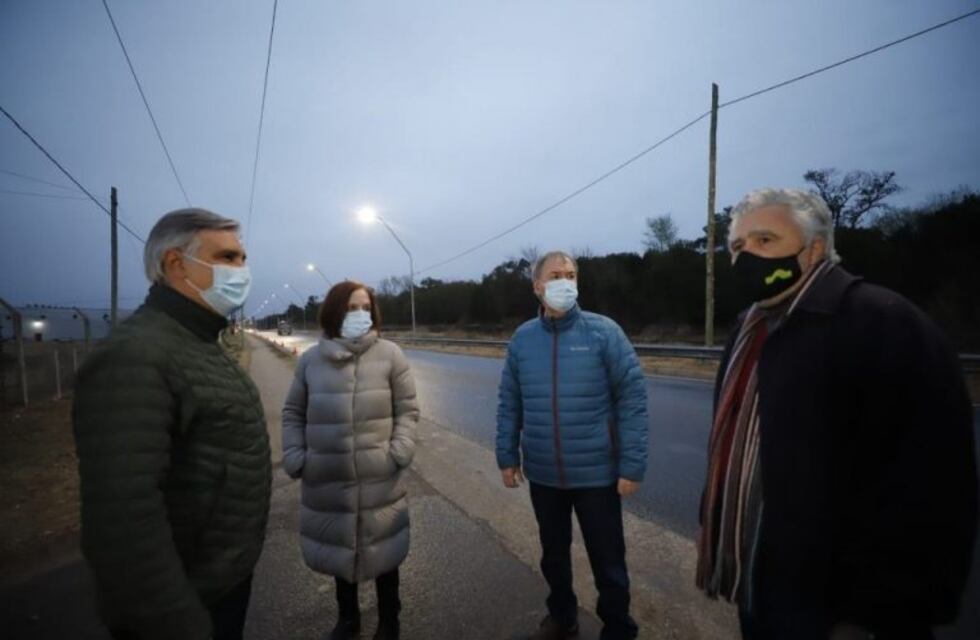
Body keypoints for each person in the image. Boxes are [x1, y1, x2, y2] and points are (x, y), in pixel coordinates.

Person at [696, 188, 978, 640]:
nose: (746, 256)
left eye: (765, 240)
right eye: (738, 246)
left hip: (843, 611)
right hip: (763, 586)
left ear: (814, 249)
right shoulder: (749, 329)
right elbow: (733, 448)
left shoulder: (882, 323)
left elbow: (932, 489)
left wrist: (872, 614)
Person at [72, 208, 272, 640]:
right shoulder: (136, 355)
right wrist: (177, 623)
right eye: (227, 258)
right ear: (176, 264)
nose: (242, 270)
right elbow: (123, 521)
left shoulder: (197, 341)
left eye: (242, 259)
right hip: (183, 607)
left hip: (219, 582)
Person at [496, 251, 649, 640]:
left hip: (597, 474)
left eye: (571, 274)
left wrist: (632, 465)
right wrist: (506, 456)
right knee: (554, 556)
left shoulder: (604, 332)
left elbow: (632, 398)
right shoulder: (523, 339)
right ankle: (562, 617)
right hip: (545, 473)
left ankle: (618, 627)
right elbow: (509, 401)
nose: (565, 281)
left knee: (608, 561)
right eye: (556, 275)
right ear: (537, 285)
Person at [282, 280, 418, 640]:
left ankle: (390, 619)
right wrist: (296, 457)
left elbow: (407, 410)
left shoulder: (390, 355)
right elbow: (293, 412)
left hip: (381, 478)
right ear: (334, 312)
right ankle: (348, 619)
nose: (360, 314)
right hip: (327, 478)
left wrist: (399, 450)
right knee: (341, 550)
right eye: (351, 308)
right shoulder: (311, 360)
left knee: (384, 549)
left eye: (365, 308)